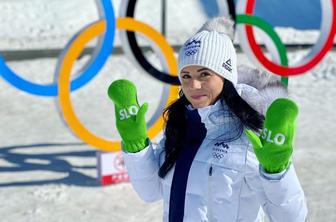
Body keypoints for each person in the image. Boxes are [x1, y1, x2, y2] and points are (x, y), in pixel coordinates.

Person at [108, 17, 307, 222]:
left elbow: (291, 218)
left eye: (204, 74)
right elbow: (150, 192)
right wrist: (136, 144)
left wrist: (277, 171)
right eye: (185, 76)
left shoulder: (248, 133)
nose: (193, 85)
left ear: (225, 75)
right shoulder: (181, 122)